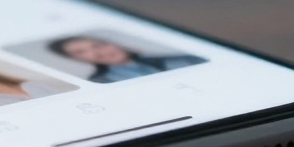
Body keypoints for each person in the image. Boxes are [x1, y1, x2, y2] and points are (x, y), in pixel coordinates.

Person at [47, 35, 206, 83]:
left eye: (98, 45)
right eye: (81, 52)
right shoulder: (102, 81)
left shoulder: (185, 59)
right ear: (76, 59)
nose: (98, 53)